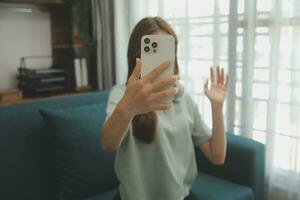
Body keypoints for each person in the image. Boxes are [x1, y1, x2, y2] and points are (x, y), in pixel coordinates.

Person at [101, 16, 229, 200]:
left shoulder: (184, 99)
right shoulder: (122, 95)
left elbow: (218, 156)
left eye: (166, 50)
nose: (161, 59)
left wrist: (217, 106)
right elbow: (108, 143)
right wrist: (128, 106)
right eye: (153, 49)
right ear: (137, 55)